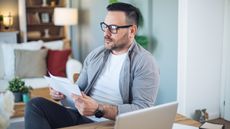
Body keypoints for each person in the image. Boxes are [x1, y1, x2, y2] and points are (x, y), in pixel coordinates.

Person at [25, 2, 160, 129]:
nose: (106, 33)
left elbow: (142, 109)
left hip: (113, 123)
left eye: (113, 28)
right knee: (35, 105)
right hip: (82, 117)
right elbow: (78, 90)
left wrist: (99, 109)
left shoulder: (145, 62)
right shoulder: (96, 54)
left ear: (132, 31)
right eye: (105, 26)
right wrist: (60, 93)